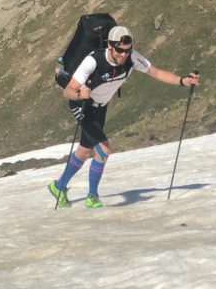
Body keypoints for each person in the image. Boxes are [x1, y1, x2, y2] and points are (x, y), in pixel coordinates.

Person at [49, 25, 201, 208]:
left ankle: (58, 186)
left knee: (84, 151)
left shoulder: (132, 58)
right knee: (104, 150)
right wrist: (80, 94)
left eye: (127, 51)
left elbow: (156, 72)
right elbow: (68, 91)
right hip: (83, 105)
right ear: (110, 46)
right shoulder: (93, 61)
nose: (123, 55)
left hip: (101, 107)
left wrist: (182, 81)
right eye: (119, 50)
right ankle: (92, 197)